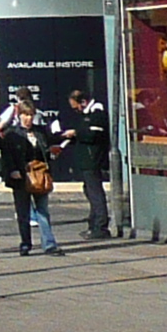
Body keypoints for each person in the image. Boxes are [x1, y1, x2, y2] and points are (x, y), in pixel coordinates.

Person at [0, 93, 61, 256]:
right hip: (21, 177)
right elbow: (7, 155)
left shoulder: (40, 132)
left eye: (31, 115)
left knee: (42, 210)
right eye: (25, 115)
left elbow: (46, 151)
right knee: (23, 213)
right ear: (19, 116)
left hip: (39, 175)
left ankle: (49, 244)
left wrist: (51, 153)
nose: (28, 119)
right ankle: (25, 243)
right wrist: (12, 171)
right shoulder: (12, 134)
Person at [64, 86, 113, 238]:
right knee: (89, 190)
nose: (76, 110)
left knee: (95, 191)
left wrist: (77, 133)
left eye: (76, 107)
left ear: (84, 102)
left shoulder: (97, 113)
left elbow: (93, 134)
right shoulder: (86, 115)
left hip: (93, 159)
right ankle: (93, 224)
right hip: (86, 160)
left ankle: (101, 226)